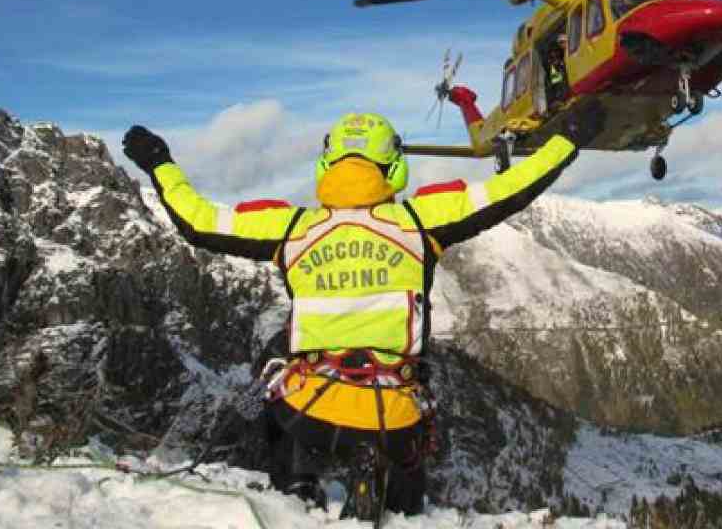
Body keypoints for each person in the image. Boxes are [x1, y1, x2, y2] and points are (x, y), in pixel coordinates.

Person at [122, 103, 603, 518]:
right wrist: (568, 138)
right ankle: (393, 499)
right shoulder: (420, 220)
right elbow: (511, 189)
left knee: (279, 392)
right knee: (405, 466)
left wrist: (160, 162)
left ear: (326, 164)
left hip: (309, 408)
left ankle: (297, 487)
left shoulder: (292, 228)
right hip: (392, 414)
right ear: (392, 167)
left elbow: (198, 220)